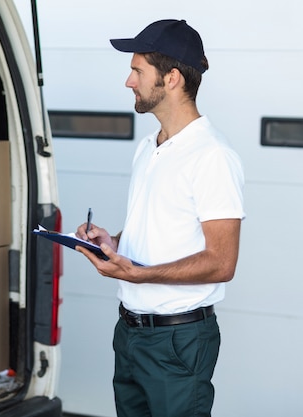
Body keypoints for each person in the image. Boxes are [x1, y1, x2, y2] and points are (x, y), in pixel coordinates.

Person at [74, 19, 245, 417]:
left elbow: (222, 263)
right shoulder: (149, 146)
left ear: (171, 79)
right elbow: (159, 226)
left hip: (178, 341)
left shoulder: (211, 156)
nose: (128, 82)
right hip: (130, 333)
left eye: (137, 71)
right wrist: (113, 243)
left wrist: (138, 274)